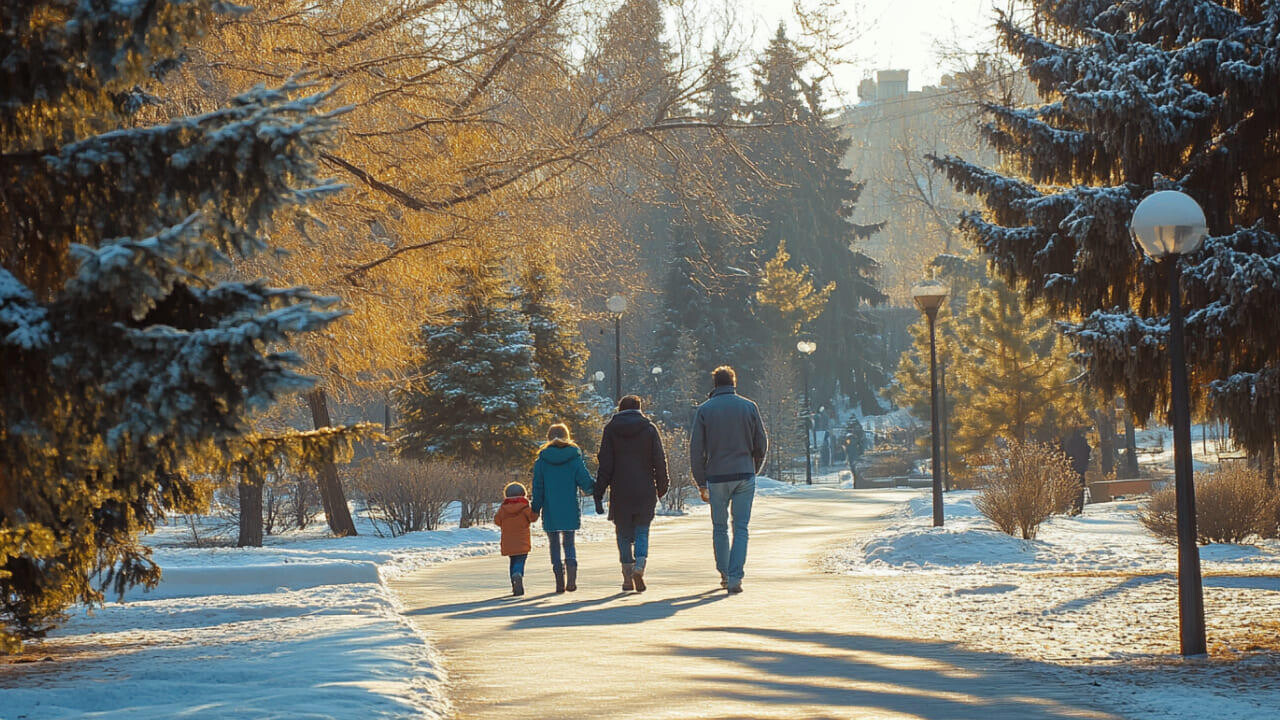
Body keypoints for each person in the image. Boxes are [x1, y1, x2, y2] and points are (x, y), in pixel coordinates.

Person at [690, 366, 767, 594]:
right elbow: (761, 444)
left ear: (714, 384)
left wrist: (701, 481)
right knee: (741, 527)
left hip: (716, 476)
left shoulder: (704, 410)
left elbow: (696, 450)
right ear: (734, 382)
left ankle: (724, 573)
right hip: (744, 474)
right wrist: (753, 468)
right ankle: (735, 576)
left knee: (719, 527)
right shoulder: (749, 407)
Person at [594, 395, 669, 592]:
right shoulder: (649, 429)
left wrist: (599, 491)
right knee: (642, 530)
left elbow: (606, 464)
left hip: (620, 490)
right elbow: (659, 460)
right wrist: (662, 486)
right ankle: (640, 565)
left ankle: (627, 575)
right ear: (639, 408)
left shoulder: (611, 430)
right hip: (645, 489)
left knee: (623, 533)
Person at [530, 423, 596, 593]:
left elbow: (538, 487)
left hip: (550, 508)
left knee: (554, 544)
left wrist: (535, 509)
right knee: (569, 543)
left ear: (548, 437)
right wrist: (596, 487)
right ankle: (572, 578)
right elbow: (586, 483)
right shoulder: (574, 458)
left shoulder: (541, 461)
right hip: (569, 507)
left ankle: (559, 580)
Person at [494, 481, 535, 596]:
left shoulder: (503, 508)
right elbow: (533, 518)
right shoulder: (525, 507)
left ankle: (514, 582)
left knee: (512, 561)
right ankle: (518, 574)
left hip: (508, 541)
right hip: (522, 540)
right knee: (520, 560)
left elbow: (497, 521)